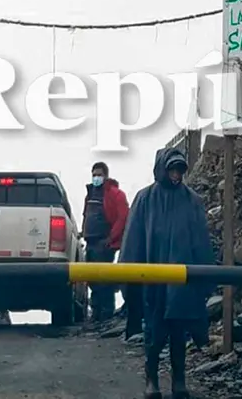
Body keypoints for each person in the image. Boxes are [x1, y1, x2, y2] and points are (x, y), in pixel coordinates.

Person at [120, 147, 214, 399]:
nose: (176, 174)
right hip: (153, 278)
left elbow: (201, 240)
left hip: (182, 279)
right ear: (161, 169)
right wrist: (130, 278)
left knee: (179, 330)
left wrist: (204, 277)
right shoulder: (145, 198)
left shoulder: (192, 199)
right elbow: (133, 239)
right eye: (171, 169)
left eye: (179, 170)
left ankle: (179, 381)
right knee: (153, 330)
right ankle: (152, 380)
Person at [83, 161, 129, 322]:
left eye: (99, 175)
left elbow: (123, 217)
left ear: (106, 176)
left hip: (104, 243)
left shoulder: (115, 194)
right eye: (94, 174)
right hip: (90, 242)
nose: (96, 178)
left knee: (105, 281)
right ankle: (96, 314)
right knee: (93, 281)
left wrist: (110, 239)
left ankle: (106, 315)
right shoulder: (90, 194)